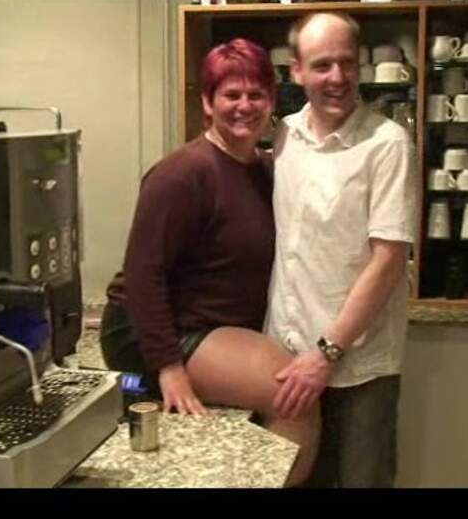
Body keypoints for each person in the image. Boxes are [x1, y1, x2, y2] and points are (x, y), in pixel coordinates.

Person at [99, 38, 319, 486]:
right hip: (151, 330)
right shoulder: (182, 173)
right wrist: (169, 367)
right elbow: (143, 274)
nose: (244, 106)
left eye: (256, 94)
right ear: (207, 102)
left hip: (210, 326)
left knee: (297, 390)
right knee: (294, 396)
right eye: (231, 95)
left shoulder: (265, 170)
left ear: (272, 101)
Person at [265, 12, 419, 488]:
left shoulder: (387, 144)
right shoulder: (284, 135)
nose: (337, 77)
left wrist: (325, 354)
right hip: (287, 358)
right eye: (322, 65)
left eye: (346, 63)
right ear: (296, 71)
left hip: (358, 367)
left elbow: (388, 261)